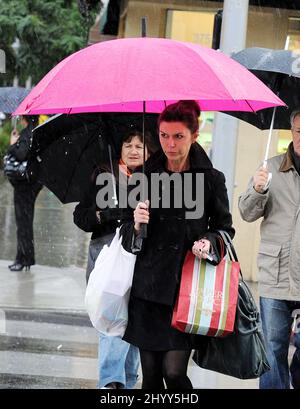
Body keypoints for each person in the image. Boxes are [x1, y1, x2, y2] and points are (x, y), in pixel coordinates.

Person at [120, 100, 234, 389]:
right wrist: (135, 222)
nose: (170, 144)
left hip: (186, 289)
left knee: (173, 372)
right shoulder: (143, 176)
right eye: (164, 135)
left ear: (194, 136)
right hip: (148, 289)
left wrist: (208, 242)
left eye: (179, 136)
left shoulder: (211, 179)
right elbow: (124, 234)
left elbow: (224, 228)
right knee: (151, 378)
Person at [73, 129, 154, 389]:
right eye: (127, 144)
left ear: (149, 152)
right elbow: (80, 216)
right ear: (119, 149)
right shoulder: (103, 175)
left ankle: (127, 384)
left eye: (139, 146)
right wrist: (102, 215)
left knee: (132, 325)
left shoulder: (155, 180)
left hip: (141, 261)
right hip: (106, 258)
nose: (133, 150)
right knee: (111, 320)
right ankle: (111, 384)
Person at [238, 108, 300, 389]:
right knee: (272, 348)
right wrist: (258, 190)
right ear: (292, 131)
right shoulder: (270, 169)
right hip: (276, 274)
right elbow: (246, 212)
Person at [7, 115, 43, 272]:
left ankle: (23, 259)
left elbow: (21, 154)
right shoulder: (35, 131)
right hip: (31, 183)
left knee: (23, 223)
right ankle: (25, 258)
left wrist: (12, 144)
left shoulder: (28, 133)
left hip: (25, 185)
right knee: (25, 221)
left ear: (24, 118)